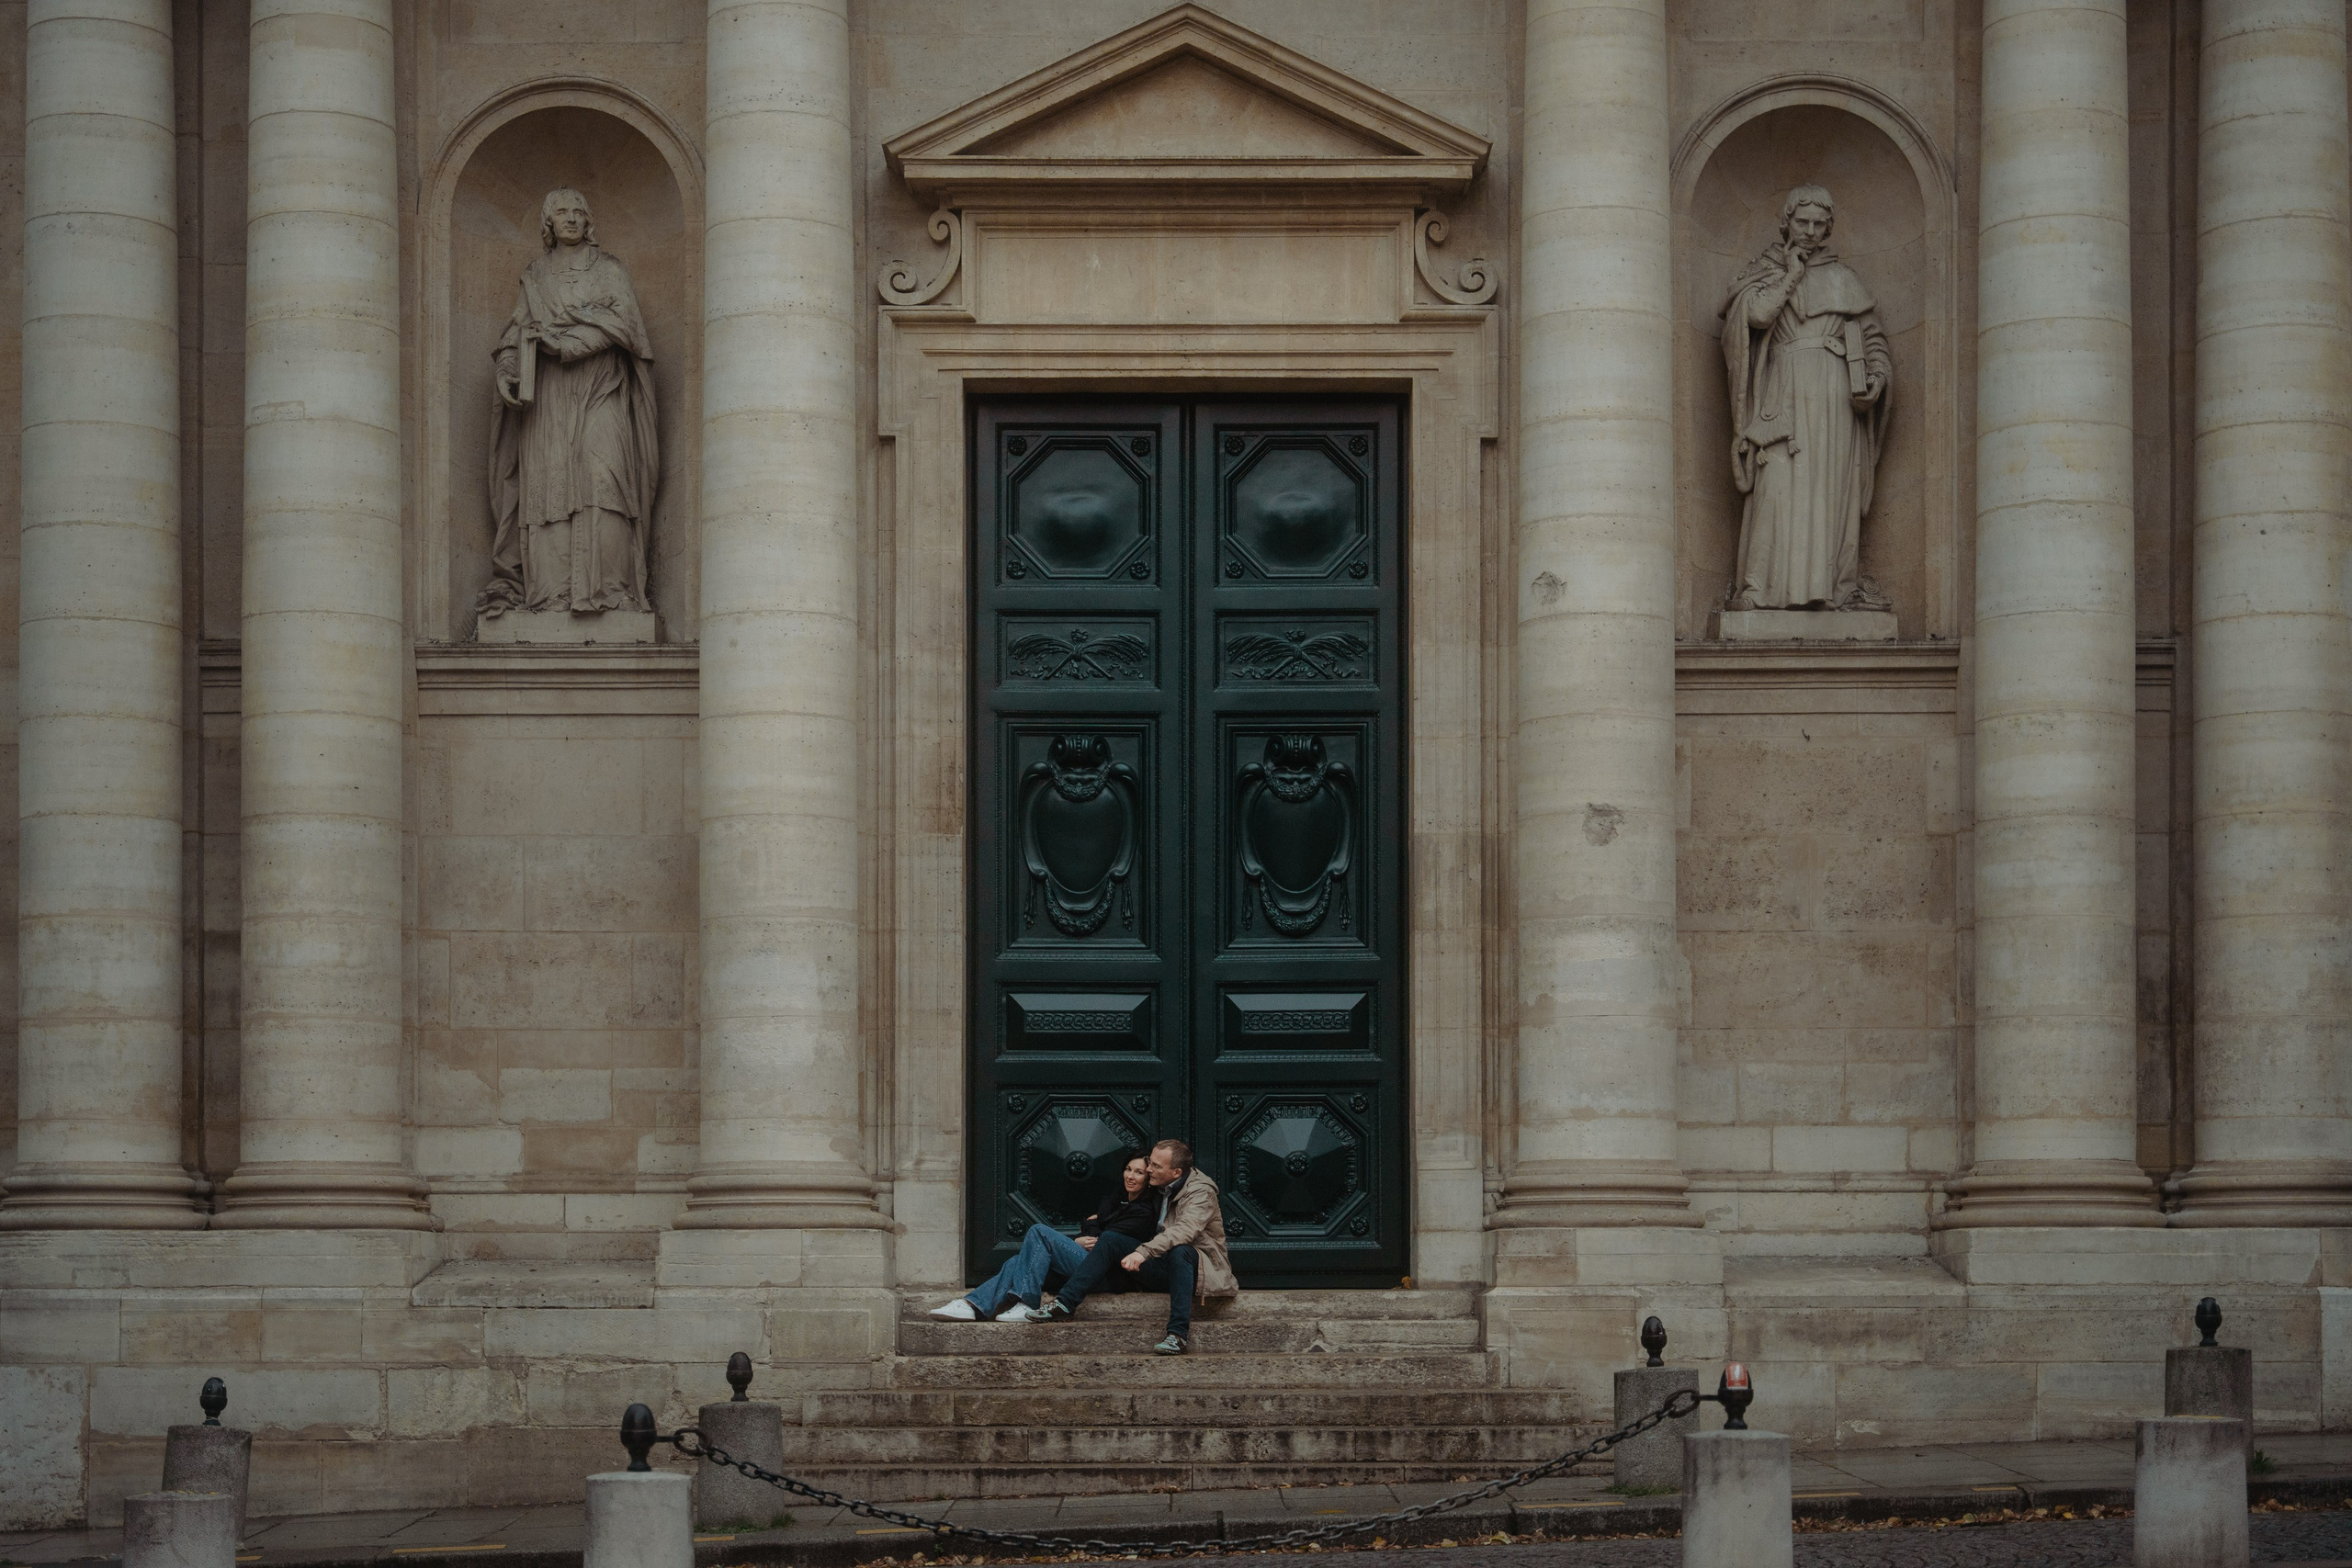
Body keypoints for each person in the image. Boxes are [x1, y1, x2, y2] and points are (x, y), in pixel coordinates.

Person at [477, 186, 660, 625]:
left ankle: (611, 592)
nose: (572, 218)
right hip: (550, 400)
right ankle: (551, 595)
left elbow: (626, 328)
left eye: (579, 211)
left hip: (601, 389)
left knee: (604, 476)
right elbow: (514, 333)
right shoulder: (536, 276)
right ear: (549, 223)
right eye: (562, 212)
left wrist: (565, 344)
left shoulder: (611, 271)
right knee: (551, 484)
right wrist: (507, 370)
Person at [1719, 183, 1892, 614]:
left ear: (1829, 228)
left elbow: (1874, 341)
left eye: (1819, 224)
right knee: (1776, 487)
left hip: (1836, 398)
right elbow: (1755, 317)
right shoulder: (1764, 272)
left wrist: (1876, 378)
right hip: (1784, 395)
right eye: (1803, 222)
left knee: (1832, 492)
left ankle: (1831, 587)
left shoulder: (1845, 278)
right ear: (1786, 223)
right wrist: (1792, 274)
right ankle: (1760, 588)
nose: (1811, 231)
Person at [1035, 1138, 1237, 1354]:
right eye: (1150, 1162)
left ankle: (1177, 1335)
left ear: (1176, 1173)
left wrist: (1143, 1252)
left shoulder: (1200, 1193)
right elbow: (1112, 1211)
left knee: (1181, 1251)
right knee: (1111, 1238)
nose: (1149, 1169)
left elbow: (1184, 1231)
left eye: (1155, 1166)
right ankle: (1065, 1303)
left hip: (1196, 1269)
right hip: (1160, 1263)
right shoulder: (1159, 1183)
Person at [929, 1155, 1156, 1322]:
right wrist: (1082, 1236)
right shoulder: (1116, 1199)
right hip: (1087, 1261)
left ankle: (1026, 1301)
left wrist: (1093, 1225)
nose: (1130, 1176)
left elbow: (1103, 1238)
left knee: (1039, 1231)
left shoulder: (1144, 1211)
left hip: (1105, 1274)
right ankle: (973, 1306)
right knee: (1016, 1263)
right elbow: (1092, 1228)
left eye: (1139, 1172)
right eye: (1128, 1169)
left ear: (1148, 1179)